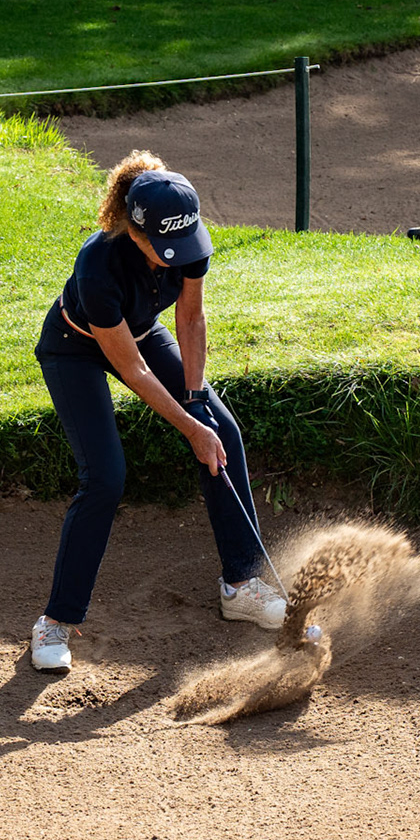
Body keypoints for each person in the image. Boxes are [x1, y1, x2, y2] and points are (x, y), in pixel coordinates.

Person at [29, 151, 283, 673]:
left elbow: (190, 318)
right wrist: (189, 428)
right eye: (163, 248)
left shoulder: (187, 244)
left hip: (143, 333)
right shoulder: (97, 265)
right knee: (105, 477)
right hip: (74, 348)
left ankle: (240, 585)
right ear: (133, 228)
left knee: (223, 429)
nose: (176, 258)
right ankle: (55, 622)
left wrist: (197, 402)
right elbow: (134, 370)